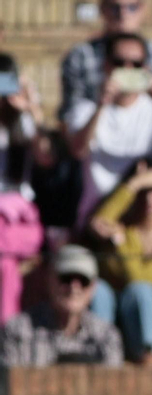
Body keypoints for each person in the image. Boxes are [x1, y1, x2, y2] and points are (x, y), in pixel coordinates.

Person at [65, 32, 152, 226]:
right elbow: (77, 150)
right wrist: (102, 104)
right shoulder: (87, 109)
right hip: (99, 215)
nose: (127, 69)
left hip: (149, 221)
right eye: (119, 62)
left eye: (136, 64)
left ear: (147, 68)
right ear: (106, 66)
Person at [84, 160, 152, 363]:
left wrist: (121, 243)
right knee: (99, 290)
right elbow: (97, 223)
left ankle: (149, 360)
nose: (148, 198)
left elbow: (142, 278)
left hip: (146, 312)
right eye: (142, 190)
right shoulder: (123, 224)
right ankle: (100, 359)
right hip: (110, 305)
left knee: (141, 291)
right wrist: (133, 184)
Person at [0, 244, 123, 366]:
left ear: (93, 286)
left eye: (83, 280)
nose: (74, 288)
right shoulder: (17, 331)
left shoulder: (106, 337)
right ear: (49, 279)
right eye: (66, 278)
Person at [59, 0, 152, 121]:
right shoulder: (80, 56)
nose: (123, 14)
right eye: (115, 7)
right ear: (102, 9)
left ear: (143, 9)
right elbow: (68, 117)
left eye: (132, 7)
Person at [0, 56, 51, 323]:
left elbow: (47, 157)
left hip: (18, 222)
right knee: (5, 267)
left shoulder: (22, 122)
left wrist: (33, 110)